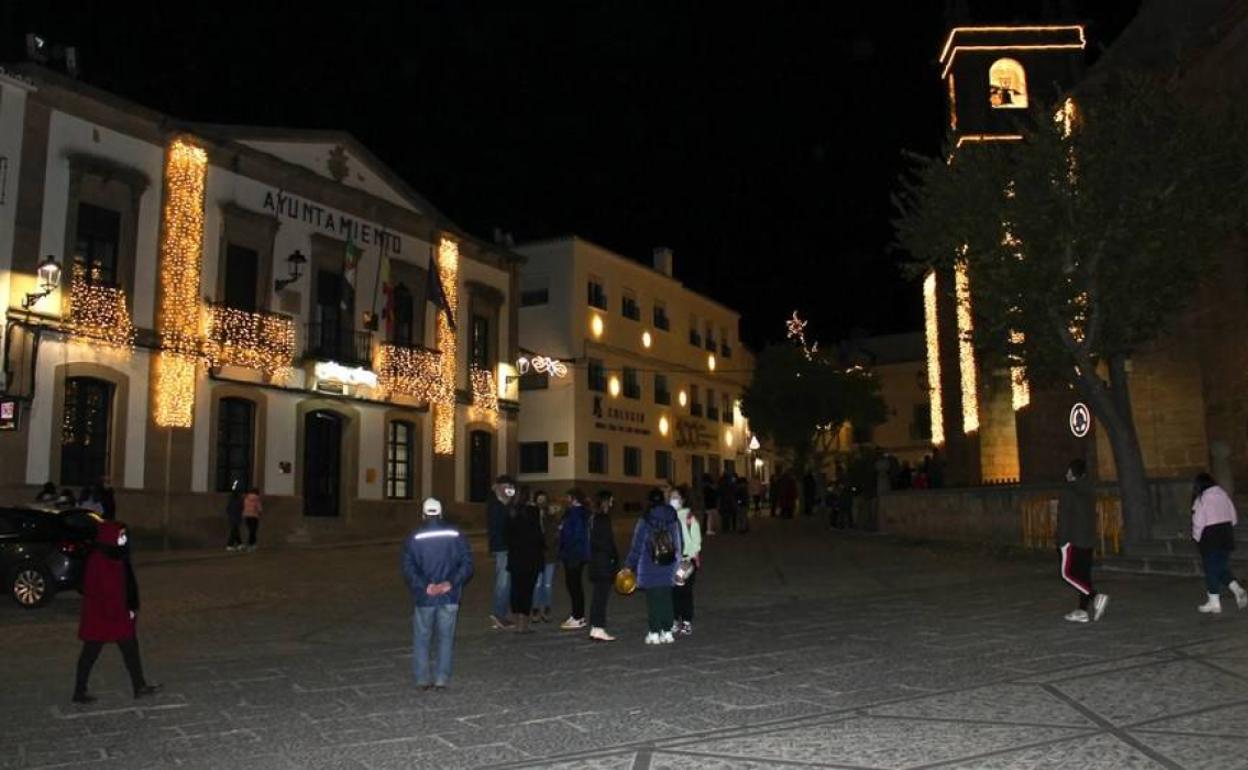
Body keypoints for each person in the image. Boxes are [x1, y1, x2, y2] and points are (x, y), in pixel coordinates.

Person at [72, 520, 161, 704]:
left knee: (130, 650)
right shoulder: (99, 558)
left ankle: (139, 686)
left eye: (123, 535)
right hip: (102, 616)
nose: (123, 538)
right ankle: (79, 691)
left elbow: (125, 586)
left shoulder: (117, 555)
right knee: (90, 653)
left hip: (117, 615)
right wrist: (122, 611)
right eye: (120, 535)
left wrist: (129, 607)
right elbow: (104, 590)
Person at [401, 497, 474, 690]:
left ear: (423, 514)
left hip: (425, 597)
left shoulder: (414, 537)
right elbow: (467, 564)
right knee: (446, 637)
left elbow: (408, 568)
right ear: (441, 513)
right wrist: (450, 583)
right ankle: (442, 678)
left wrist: (425, 586)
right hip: (449, 596)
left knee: (422, 637)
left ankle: (422, 679)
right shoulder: (455, 534)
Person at [625, 488, 683, 645]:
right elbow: (678, 542)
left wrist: (629, 565)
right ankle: (668, 631)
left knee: (653, 599)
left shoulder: (645, 519)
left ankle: (654, 632)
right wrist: (678, 562)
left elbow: (637, 545)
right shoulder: (672, 517)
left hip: (649, 563)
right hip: (668, 562)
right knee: (666, 597)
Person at [1057, 459, 1108, 623]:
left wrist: (1062, 541)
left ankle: (1095, 596)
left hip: (1073, 538)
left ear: (1072, 473)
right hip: (1088, 537)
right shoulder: (1088, 489)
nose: (1066, 474)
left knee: (1068, 573)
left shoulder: (1069, 491)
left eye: (1068, 471)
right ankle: (1082, 610)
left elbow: (1065, 518)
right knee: (1083, 575)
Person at [1191, 472, 1247, 614]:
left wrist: (1196, 537)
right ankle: (1237, 589)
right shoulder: (1223, 495)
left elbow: (1198, 521)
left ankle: (1214, 602)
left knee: (1211, 569)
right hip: (1225, 533)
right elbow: (1233, 515)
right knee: (1220, 566)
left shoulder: (1202, 499)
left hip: (1210, 536)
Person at [505, 488, 544, 633]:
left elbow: (506, 535)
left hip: (516, 556)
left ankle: (515, 619)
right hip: (531, 557)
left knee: (516, 588)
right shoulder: (533, 512)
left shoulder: (511, 512)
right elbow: (537, 534)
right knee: (527, 590)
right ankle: (523, 623)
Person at [587, 489, 620, 642]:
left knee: (597, 596)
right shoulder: (603, 519)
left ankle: (594, 627)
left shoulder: (593, 517)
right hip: (604, 562)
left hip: (595, 560)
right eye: (611, 500)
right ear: (605, 501)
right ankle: (599, 627)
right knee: (601, 596)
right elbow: (608, 542)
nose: (612, 503)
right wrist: (614, 558)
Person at [486, 475, 517, 629]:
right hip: (502, 547)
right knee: (502, 582)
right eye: (506, 487)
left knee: (508, 582)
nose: (509, 490)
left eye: (510, 487)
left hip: (509, 547)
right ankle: (498, 614)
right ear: (498, 488)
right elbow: (499, 527)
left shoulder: (508, 505)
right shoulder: (496, 505)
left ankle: (502, 614)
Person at [558, 488, 591, 630]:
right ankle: (577, 614)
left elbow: (575, 535)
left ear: (574, 499)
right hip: (577, 554)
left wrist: (563, 534)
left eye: (568, 497)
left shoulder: (575, 514)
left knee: (574, 585)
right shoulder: (580, 513)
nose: (566, 500)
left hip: (573, 554)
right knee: (574, 585)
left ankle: (578, 616)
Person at [671, 485, 702, 635]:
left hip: (686, 561)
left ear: (683, 500)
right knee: (673, 592)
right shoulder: (669, 517)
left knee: (685, 592)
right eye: (671, 497)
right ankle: (675, 619)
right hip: (672, 561)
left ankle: (687, 621)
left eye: (676, 497)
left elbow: (696, 541)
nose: (673, 500)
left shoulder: (689, 518)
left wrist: (689, 558)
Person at [531, 491, 558, 623]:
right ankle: (535, 609)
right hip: (536, 556)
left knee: (547, 584)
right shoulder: (531, 515)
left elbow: (554, 534)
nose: (541, 502)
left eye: (543, 499)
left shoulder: (551, 516)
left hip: (550, 555)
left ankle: (547, 608)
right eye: (539, 499)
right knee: (537, 584)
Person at [224, 484, 244, 552]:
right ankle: (229, 545)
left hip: (232, 517)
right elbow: (241, 508)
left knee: (235, 531)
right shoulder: (240, 500)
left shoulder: (231, 500)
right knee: (234, 531)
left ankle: (240, 544)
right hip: (237, 517)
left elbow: (228, 509)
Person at [242, 486, 262, 551]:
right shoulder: (257, 499)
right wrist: (260, 512)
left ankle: (252, 544)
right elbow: (259, 508)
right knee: (253, 531)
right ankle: (251, 545)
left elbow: (244, 506)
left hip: (246, 515)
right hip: (254, 516)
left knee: (251, 530)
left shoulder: (246, 498)